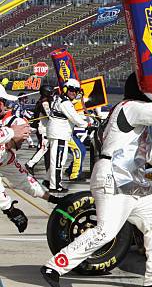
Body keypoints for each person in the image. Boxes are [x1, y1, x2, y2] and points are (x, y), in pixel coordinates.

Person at [40, 72, 152, 287]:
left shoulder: (144, 121)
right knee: (105, 231)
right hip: (113, 176)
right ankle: (55, 266)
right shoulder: (129, 107)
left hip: (132, 181)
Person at [0, 86, 60, 233]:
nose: (23, 141)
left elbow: (24, 180)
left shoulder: (6, 155)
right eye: (2, 101)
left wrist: (52, 199)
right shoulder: (9, 133)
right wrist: (9, 208)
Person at [45, 79, 89, 192]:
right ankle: (55, 186)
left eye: (76, 91)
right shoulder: (65, 102)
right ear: (65, 89)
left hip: (58, 133)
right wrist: (87, 124)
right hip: (59, 134)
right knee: (58, 160)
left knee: (59, 159)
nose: (74, 93)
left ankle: (48, 180)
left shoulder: (61, 99)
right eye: (72, 90)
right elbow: (75, 118)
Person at [26, 85, 54, 174]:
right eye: (50, 92)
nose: (52, 94)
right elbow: (50, 115)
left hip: (43, 128)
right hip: (43, 128)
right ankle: (30, 164)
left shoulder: (42, 101)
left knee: (46, 150)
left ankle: (48, 169)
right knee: (44, 148)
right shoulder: (44, 102)